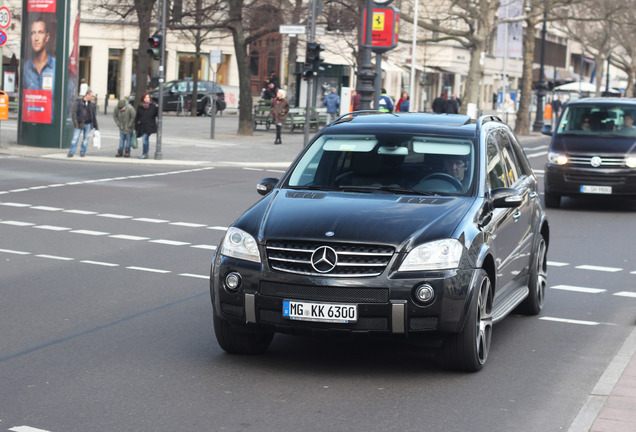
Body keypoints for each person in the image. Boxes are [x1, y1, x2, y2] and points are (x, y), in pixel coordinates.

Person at [23, 17, 56, 91]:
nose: (36, 38)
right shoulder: (25, 67)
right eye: (33, 33)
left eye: (40, 32)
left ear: (47, 37)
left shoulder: (56, 67)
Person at [68, 90, 98, 157]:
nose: (92, 97)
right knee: (75, 138)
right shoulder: (78, 102)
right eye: (91, 96)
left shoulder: (91, 104)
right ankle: (71, 152)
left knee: (86, 139)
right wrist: (75, 123)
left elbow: (93, 116)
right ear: (87, 95)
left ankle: (82, 152)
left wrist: (96, 126)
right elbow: (74, 113)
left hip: (88, 124)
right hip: (79, 123)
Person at [135, 93, 159, 159]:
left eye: (148, 97)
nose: (146, 99)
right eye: (145, 98)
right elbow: (137, 116)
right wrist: (136, 126)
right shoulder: (140, 106)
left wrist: (158, 108)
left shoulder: (153, 106)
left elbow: (157, 115)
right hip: (142, 126)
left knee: (145, 139)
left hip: (149, 126)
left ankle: (145, 153)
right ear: (143, 99)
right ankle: (145, 153)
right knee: (145, 140)